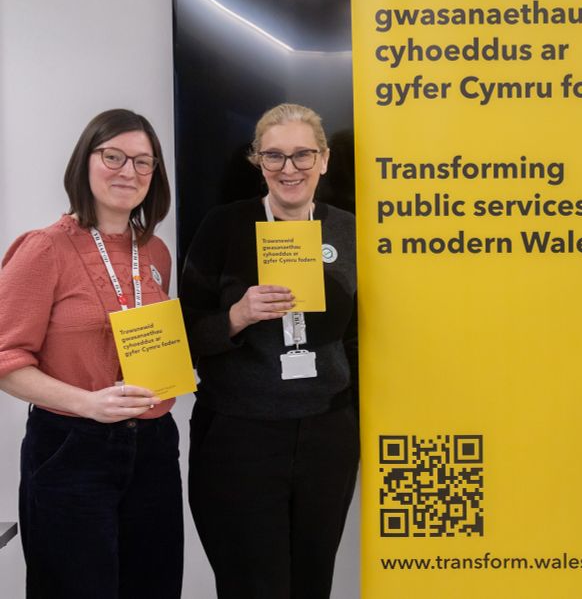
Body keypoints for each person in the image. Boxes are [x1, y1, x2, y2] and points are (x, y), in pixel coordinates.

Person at [0, 109, 181, 598]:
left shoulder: (156, 251)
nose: (129, 172)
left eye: (144, 162)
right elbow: (5, 358)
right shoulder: (44, 248)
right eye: (114, 156)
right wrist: (88, 404)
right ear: (85, 162)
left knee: (154, 586)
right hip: (72, 447)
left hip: (154, 446)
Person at [181, 103, 359, 598]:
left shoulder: (348, 230)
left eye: (303, 155)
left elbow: (359, 337)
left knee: (311, 582)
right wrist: (237, 316)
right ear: (257, 161)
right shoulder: (223, 226)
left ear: (323, 159)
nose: (289, 168)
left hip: (328, 436)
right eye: (274, 156)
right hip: (240, 437)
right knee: (251, 586)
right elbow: (185, 334)